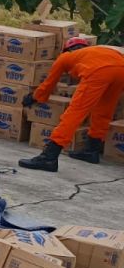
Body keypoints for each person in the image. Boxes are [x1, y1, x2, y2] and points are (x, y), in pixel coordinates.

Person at [19, 39, 124, 171]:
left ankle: (49, 157)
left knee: (75, 113)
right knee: (104, 110)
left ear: (67, 49)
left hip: (98, 72)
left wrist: (35, 97)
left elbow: (49, 84)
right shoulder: (95, 51)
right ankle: (92, 151)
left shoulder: (65, 57)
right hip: (121, 70)